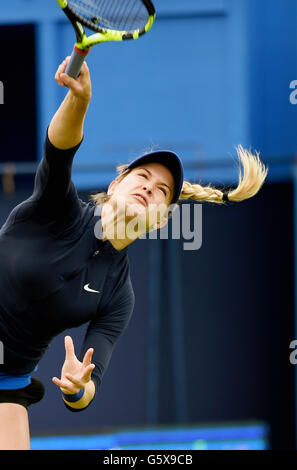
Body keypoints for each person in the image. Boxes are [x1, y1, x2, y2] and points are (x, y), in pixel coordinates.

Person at [0, 57, 268, 450]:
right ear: (115, 184)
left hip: (8, 381)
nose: (149, 188)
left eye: (162, 191)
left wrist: (77, 387)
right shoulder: (56, 209)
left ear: (160, 221)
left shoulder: (118, 295)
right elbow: (59, 148)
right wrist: (79, 102)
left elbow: (90, 386)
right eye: (142, 177)